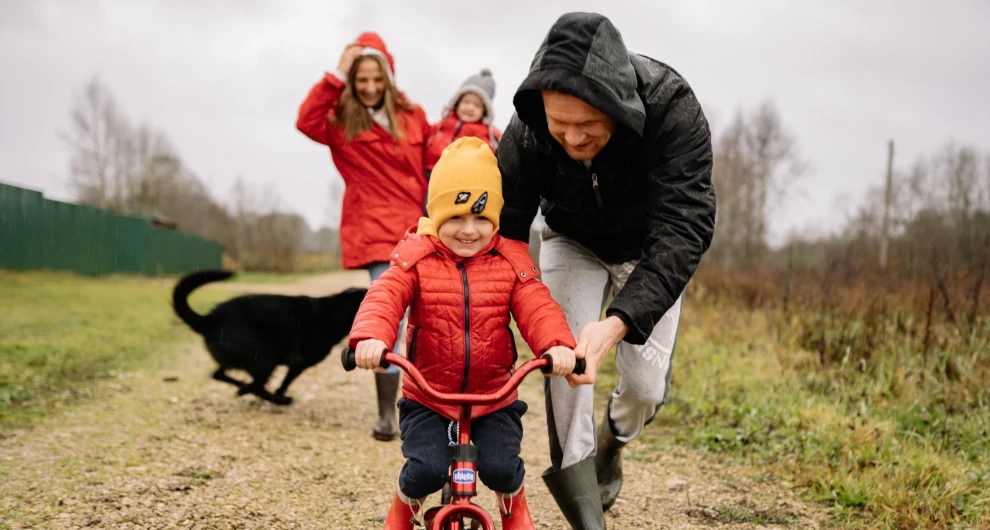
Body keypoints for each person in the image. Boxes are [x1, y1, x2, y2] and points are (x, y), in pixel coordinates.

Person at [496, 12, 717, 529]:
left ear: (617, 107)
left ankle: (613, 445)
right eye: (560, 124)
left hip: (648, 249)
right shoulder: (528, 130)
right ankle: (586, 516)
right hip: (570, 240)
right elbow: (504, 229)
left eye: (588, 124)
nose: (571, 138)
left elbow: (685, 229)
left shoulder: (672, 109)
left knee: (644, 388)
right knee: (566, 367)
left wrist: (616, 324)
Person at [349, 137, 583, 530]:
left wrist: (557, 346)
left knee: (502, 468)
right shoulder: (416, 256)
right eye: (455, 218)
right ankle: (401, 513)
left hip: (493, 397)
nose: (469, 230)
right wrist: (372, 337)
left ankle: (515, 509)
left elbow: (537, 305)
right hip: (429, 397)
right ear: (437, 216)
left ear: (496, 217)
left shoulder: (510, 259)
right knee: (425, 469)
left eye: (480, 218)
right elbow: (385, 295)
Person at [296, 31, 430, 442]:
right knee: (390, 314)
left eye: (377, 79)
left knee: (428, 318)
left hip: (418, 225)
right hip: (376, 230)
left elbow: (433, 164)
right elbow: (305, 121)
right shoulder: (340, 121)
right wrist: (337, 72)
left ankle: (427, 406)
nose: (370, 88)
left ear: (388, 79)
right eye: (361, 80)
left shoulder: (414, 116)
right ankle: (387, 414)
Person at [424, 68, 503, 176]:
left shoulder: (486, 134)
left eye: (477, 105)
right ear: (457, 103)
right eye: (466, 102)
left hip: (458, 180)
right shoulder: (442, 124)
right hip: (429, 174)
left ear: (484, 112)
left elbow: (489, 155)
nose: (470, 108)